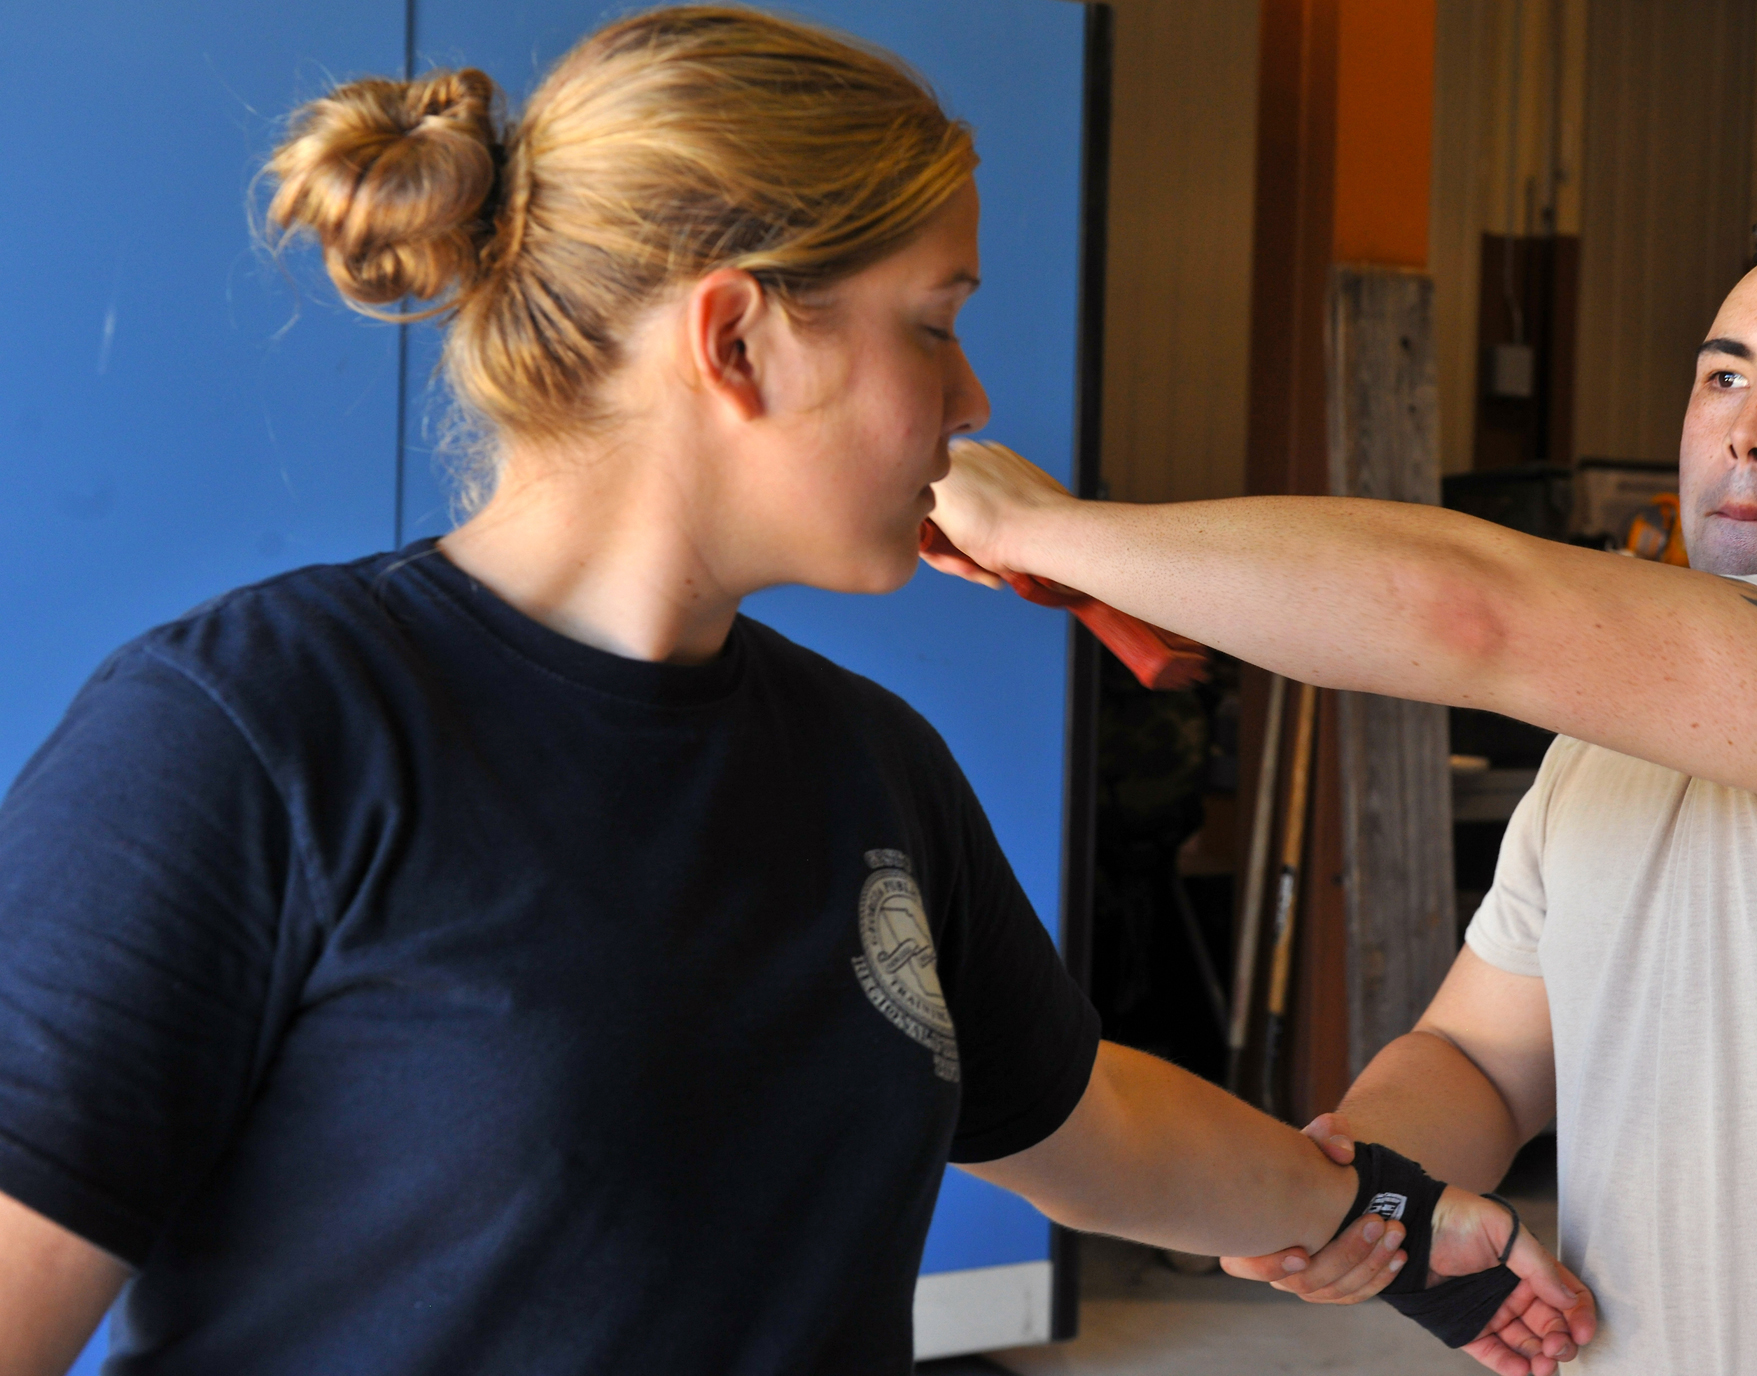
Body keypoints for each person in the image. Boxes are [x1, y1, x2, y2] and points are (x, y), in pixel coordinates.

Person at [0, 9, 1590, 1376]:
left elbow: (1084, 1123)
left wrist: (1382, 1218)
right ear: (740, 339)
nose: (972, 399)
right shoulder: (247, 737)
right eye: (937, 323)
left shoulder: (867, 767)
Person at [924, 208, 1757, 1372]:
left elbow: (1470, 614)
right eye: (1724, 375)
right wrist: (1371, 1191)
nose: (1748, 432)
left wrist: (1048, 527)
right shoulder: (1612, 747)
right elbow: (1478, 1059)